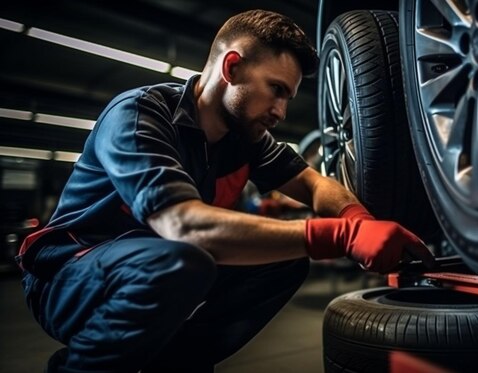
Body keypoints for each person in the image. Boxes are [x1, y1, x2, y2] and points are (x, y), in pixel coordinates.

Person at [16, 9, 434, 373]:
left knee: (282, 265)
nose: (281, 111)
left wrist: (355, 219)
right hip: (67, 276)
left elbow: (311, 182)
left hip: (158, 263)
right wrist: (338, 237)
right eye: (276, 89)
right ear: (231, 68)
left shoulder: (244, 138)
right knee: (181, 260)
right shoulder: (140, 116)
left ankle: (178, 364)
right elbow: (185, 227)